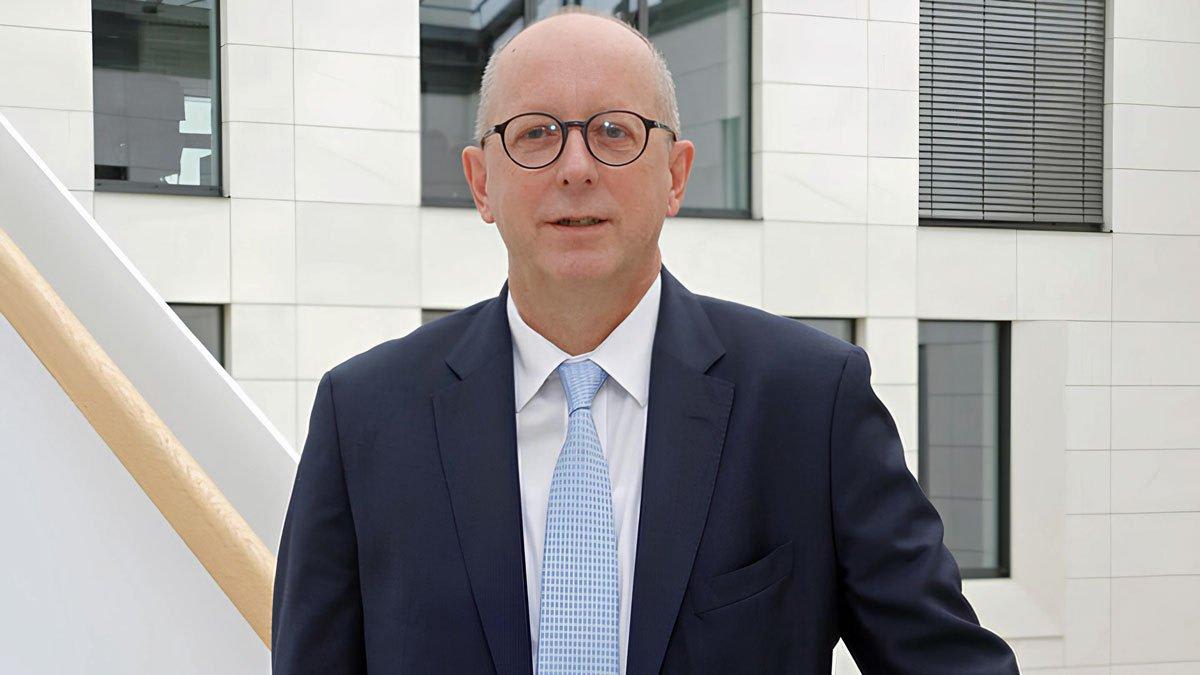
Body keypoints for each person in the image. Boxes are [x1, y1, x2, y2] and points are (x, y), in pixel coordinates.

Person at [271, 8, 1019, 674]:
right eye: (535, 134)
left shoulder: (810, 402)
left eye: (613, 132)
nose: (575, 169)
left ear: (675, 174)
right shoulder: (363, 416)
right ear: (480, 183)